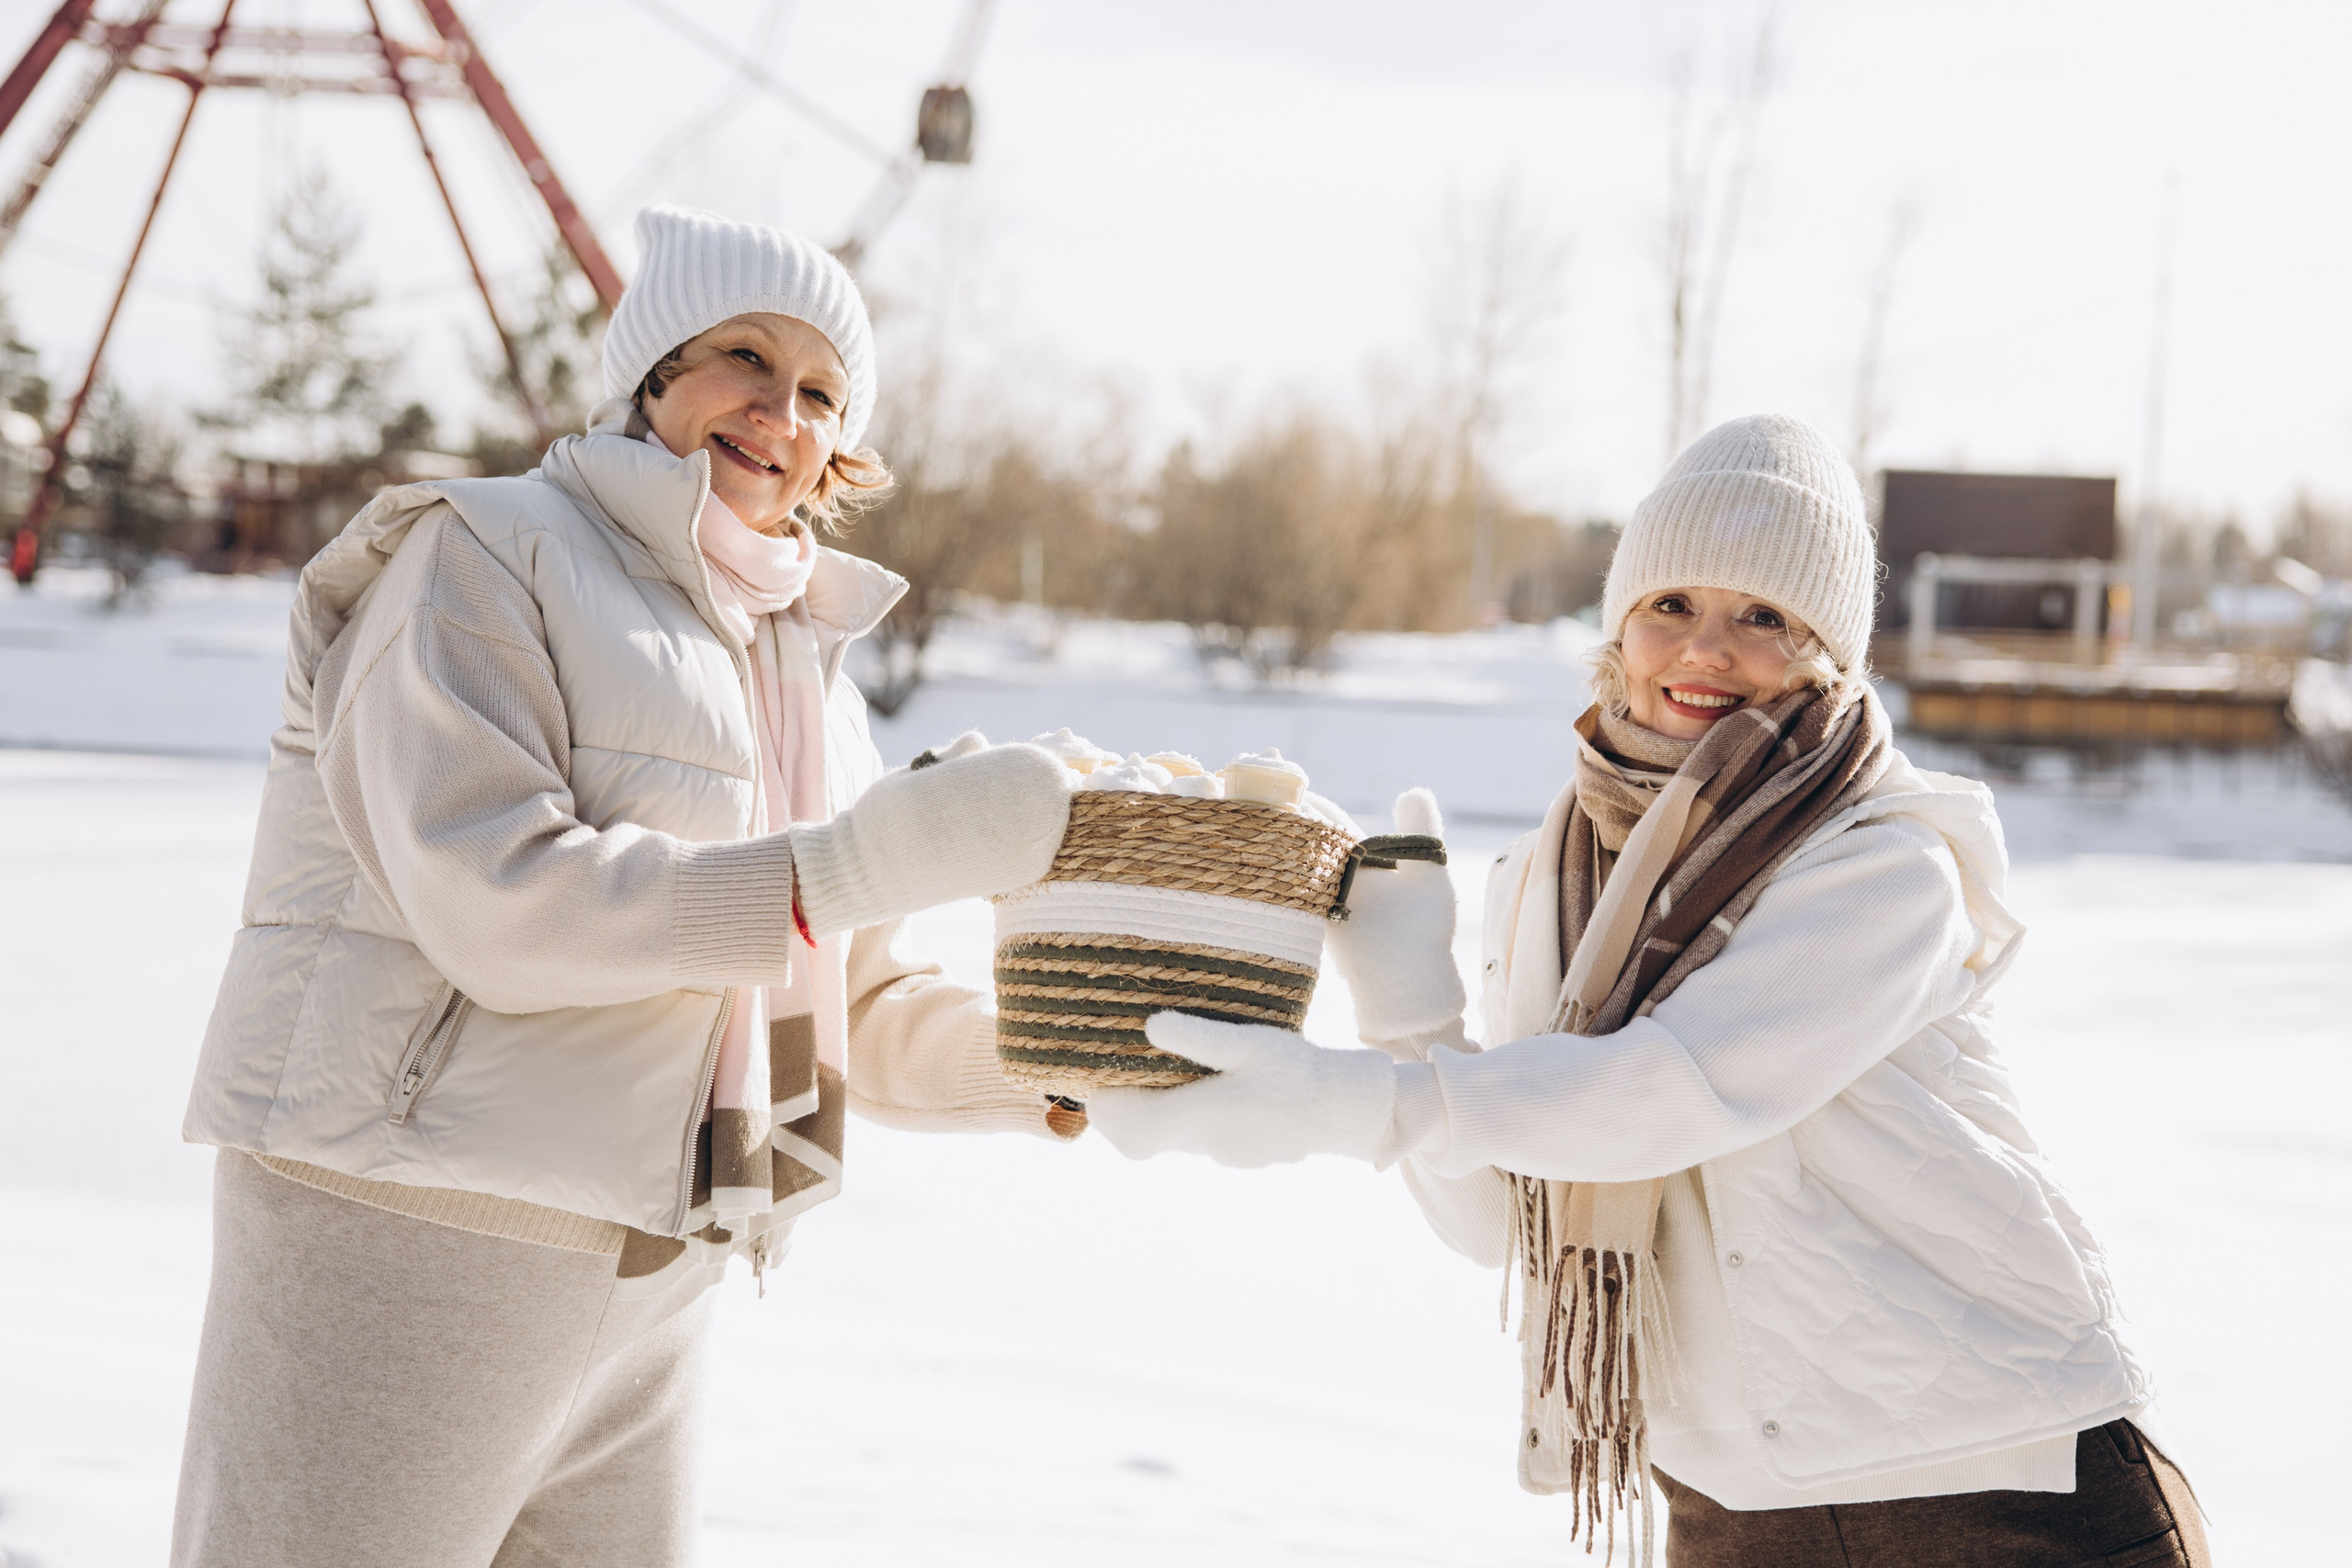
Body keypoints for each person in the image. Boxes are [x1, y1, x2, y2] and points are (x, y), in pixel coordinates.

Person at [1090, 414, 2209, 1567]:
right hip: (1726, 1512)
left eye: (1762, 617)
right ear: (1618, 628)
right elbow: (1501, 1220)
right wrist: (1408, 1011)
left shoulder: (1884, 861)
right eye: (1671, 605)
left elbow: (1671, 1090)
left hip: (2000, 1489)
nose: (1705, 651)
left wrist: (1363, 1102)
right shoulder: (1552, 876)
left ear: (1828, 652)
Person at [172, 205, 1079, 1568]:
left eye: (824, 391)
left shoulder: (800, 666)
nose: (783, 410)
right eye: (744, 360)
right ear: (654, 370)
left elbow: (852, 983)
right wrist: (862, 859)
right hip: (407, 1233)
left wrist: (1067, 1059)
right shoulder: (479, 552)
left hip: (657, 1273)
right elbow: (501, 899)